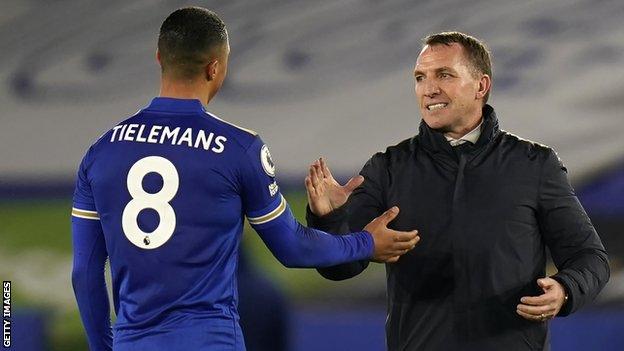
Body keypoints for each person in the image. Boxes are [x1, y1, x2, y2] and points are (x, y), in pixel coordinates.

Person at [70, 7, 419, 351]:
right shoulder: (238, 148)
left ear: (159, 57)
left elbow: (85, 273)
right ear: (215, 67)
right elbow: (292, 247)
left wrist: (104, 347)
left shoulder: (101, 151)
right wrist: (365, 243)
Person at [305, 31, 610, 350]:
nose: (429, 89)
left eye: (444, 75)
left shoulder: (534, 165)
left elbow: (589, 257)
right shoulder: (389, 168)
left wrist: (564, 289)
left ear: (481, 85)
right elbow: (339, 267)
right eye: (420, 78)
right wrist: (330, 219)